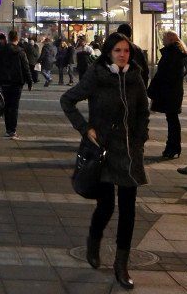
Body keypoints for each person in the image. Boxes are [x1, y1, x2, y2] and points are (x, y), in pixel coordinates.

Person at [60, 32, 149, 290]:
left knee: (129, 209)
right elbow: (67, 100)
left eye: (126, 51)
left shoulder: (135, 77)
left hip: (129, 151)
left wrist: (140, 139)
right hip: (104, 151)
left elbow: (143, 111)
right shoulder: (97, 76)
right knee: (107, 205)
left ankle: (122, 264)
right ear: (109, 53)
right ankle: (94, 239)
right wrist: (85, 128)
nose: (122, 55)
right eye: (118, 50)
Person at [148, 30, 187, 159]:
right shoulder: (176, 53)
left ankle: (173, 147)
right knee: (172, 119)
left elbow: (163, 74)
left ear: (170, 39)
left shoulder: (172, 54)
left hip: (170, 91)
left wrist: (153, 89)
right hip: (173, 91)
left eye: (164, 38)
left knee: (172, 119)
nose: (162, 40)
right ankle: (173, 147)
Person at [0, 30, 33, 138]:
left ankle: (8, 129)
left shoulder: (2, 51)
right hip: (17, 82)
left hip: (5, 82)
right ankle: (13, 130)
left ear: (8, 38)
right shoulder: (21, 51)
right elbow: (26, 67)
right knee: (14, 106)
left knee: (7, 105)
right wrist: (29, 81)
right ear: (17, 38)